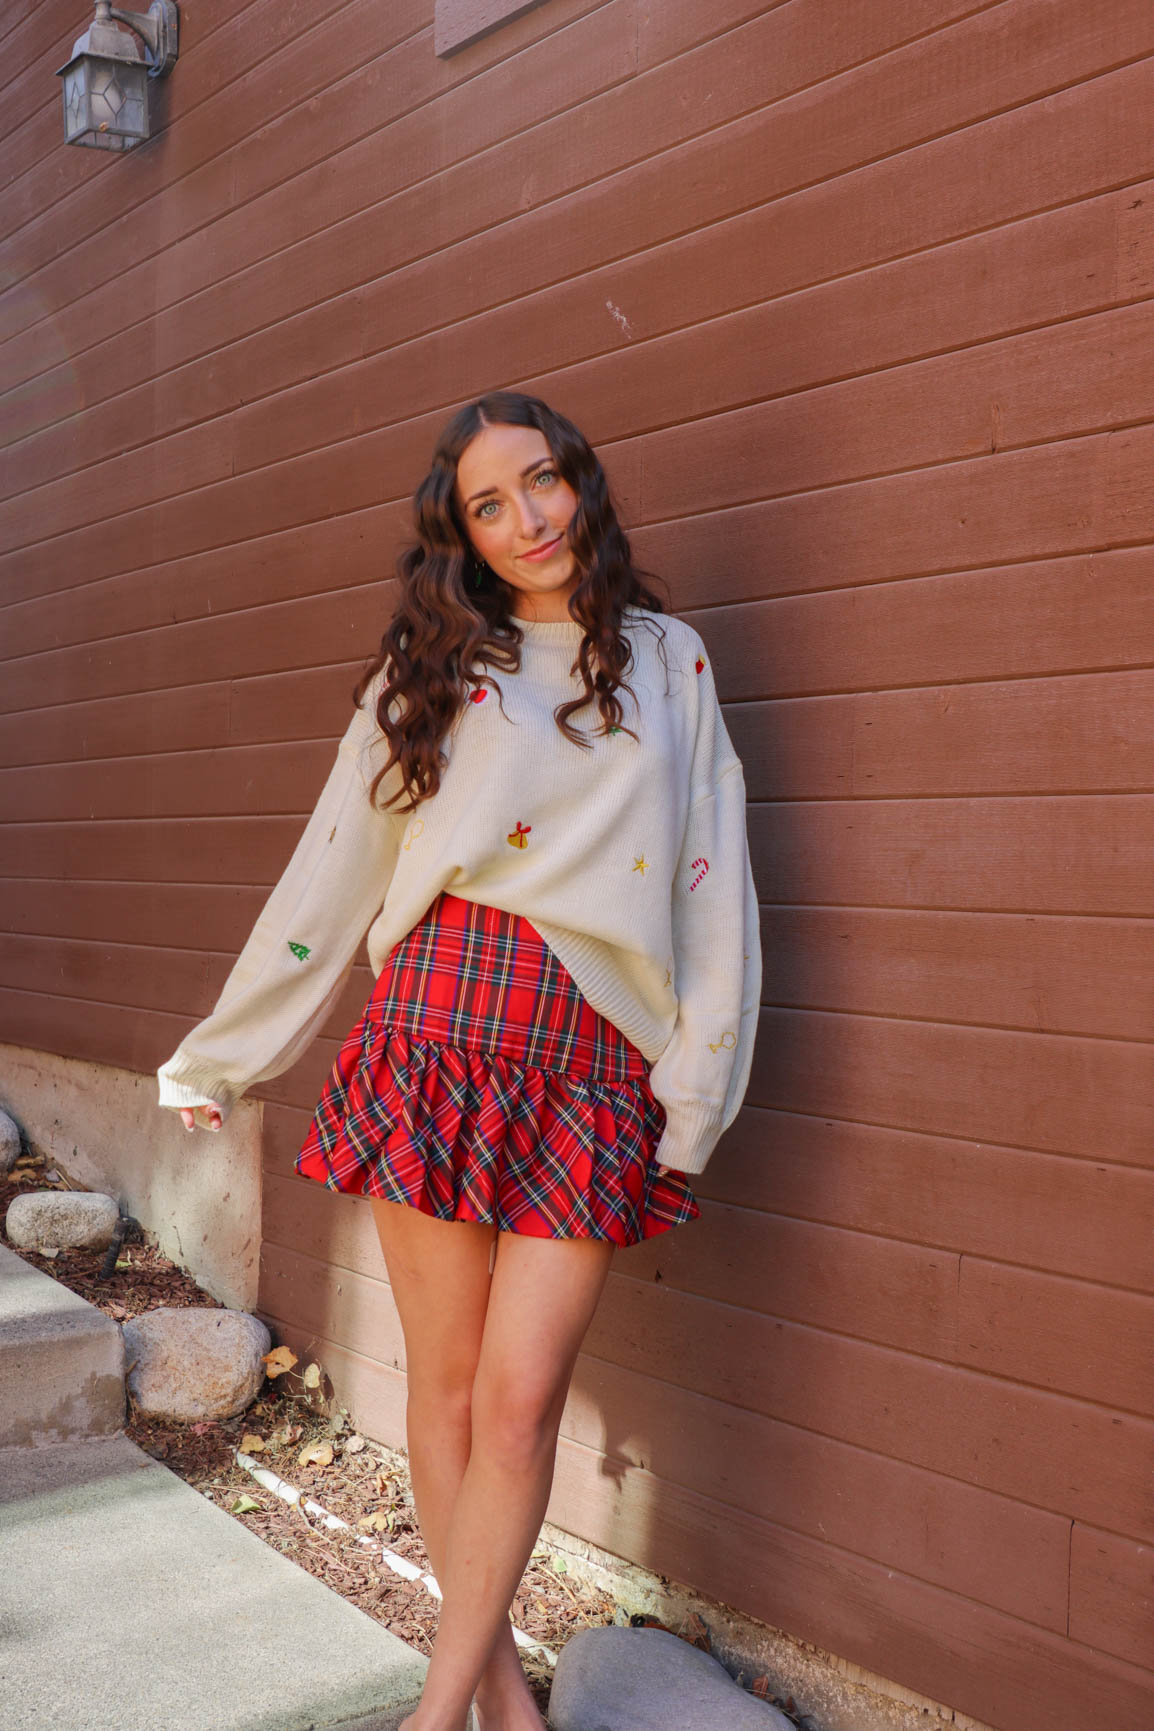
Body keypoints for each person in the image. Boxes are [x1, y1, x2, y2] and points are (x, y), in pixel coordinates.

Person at [157, 390, 761, 1731]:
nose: (526, 518)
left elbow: (716, 883)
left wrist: (695, 1087)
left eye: (540, 483)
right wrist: (228, 1051)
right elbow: (331, 870)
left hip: (590, 1057)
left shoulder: (669, 661)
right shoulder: (432, 672)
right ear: (463, 536)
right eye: (490, 504)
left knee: (520, 1393)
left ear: (581, 485)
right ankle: (482, 1700)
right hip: (433, 1033)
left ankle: (446, 1707)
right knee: (442, 1387)